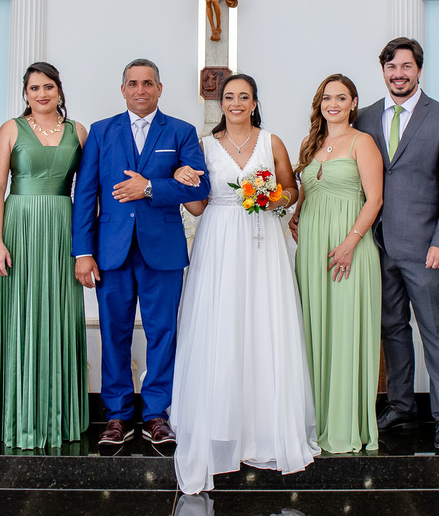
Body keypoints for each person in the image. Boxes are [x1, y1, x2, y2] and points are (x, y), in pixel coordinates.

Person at [170, 73, 320, 494]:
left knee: (263, 324)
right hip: (218, 240)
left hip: (262, 241)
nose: (236, 103)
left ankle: (265, 427)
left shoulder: (272, 142)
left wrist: (275, 199)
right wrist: (181, 177)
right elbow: (198, 205)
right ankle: (220, 425)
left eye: (244, 97)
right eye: (229, 97)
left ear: (254, 103)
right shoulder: (204, 146)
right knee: (221, 325)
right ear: (221, 103)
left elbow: (291, 188)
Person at [71, 59, 210, 447]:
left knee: (162, 333)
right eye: (133, 83)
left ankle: (157, 415)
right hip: (111, 250)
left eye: (148, 83)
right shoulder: (101, 131)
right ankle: (117, 416)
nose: (140, 90)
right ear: (123, 90)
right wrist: (82, 252)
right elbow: (86, 194)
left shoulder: (181, 132)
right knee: (114, 332)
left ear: (159, 89)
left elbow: (200, 189)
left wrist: (150, 187)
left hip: (162, 250)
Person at [354, 37, 439, 452]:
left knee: (436, 331)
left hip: (426, 248)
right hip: (377, 245)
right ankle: (401, 406)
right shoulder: (364, 117)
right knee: (392, 328)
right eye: (391, 67)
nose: (398, 74)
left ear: (419, 69)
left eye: (406, 66)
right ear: (383, 71)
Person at [0, 62, 89, 448]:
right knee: (19, 313)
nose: (42, 94)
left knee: (58, 312)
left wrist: (85, 246)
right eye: (34, 88)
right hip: (19, 227)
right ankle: (16, 414)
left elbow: (87, 190)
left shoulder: (78, 131)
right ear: (26, 93)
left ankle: (58, 415)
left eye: (48, 87)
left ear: (59, 90)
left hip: (61, 226)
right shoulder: (10, 129)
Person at [290, 74, 384, 453]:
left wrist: (350, 242)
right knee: (314, 330)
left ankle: (345, 424)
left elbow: (374, 199)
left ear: (353, 103)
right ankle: (315, 421)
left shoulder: (363, 142)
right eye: (327, 98)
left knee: (344, 330)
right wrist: (297, 213)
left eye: (341, 98)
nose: (333, 104)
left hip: (350, 249)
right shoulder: (309, 143)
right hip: (313, 249)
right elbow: (307, 189)